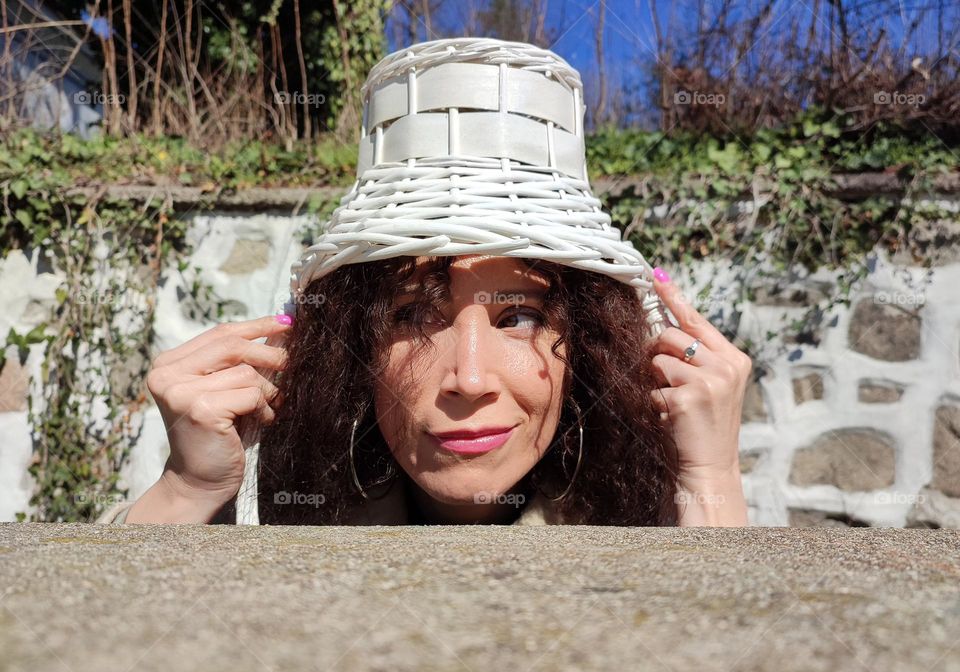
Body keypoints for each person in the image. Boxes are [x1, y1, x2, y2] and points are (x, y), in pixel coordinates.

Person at [97, 37, 751, 527]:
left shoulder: (650, 513)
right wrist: (187, 490)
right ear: (354, 348)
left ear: (586, 343)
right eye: (412, 315)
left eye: (519, 316)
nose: (470, 379)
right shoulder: (307, 511)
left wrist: (710, 481)